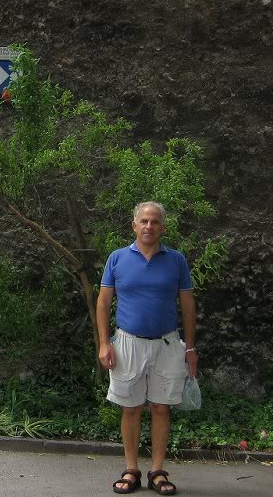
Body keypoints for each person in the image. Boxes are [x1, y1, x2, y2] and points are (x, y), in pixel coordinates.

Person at [96, 202, 198, 495]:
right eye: (144, 221)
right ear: (134, 225)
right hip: (127, 343)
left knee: (161, 408)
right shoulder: (117, 258)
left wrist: (190, 348)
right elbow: (103, 303)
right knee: (130, 408)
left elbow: (188, 305)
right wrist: (104, 343)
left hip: (167, 344)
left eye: (155, 222)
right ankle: (131, 469)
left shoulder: (176, 260)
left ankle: (157, 471)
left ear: (162, 227)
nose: (149, 226)